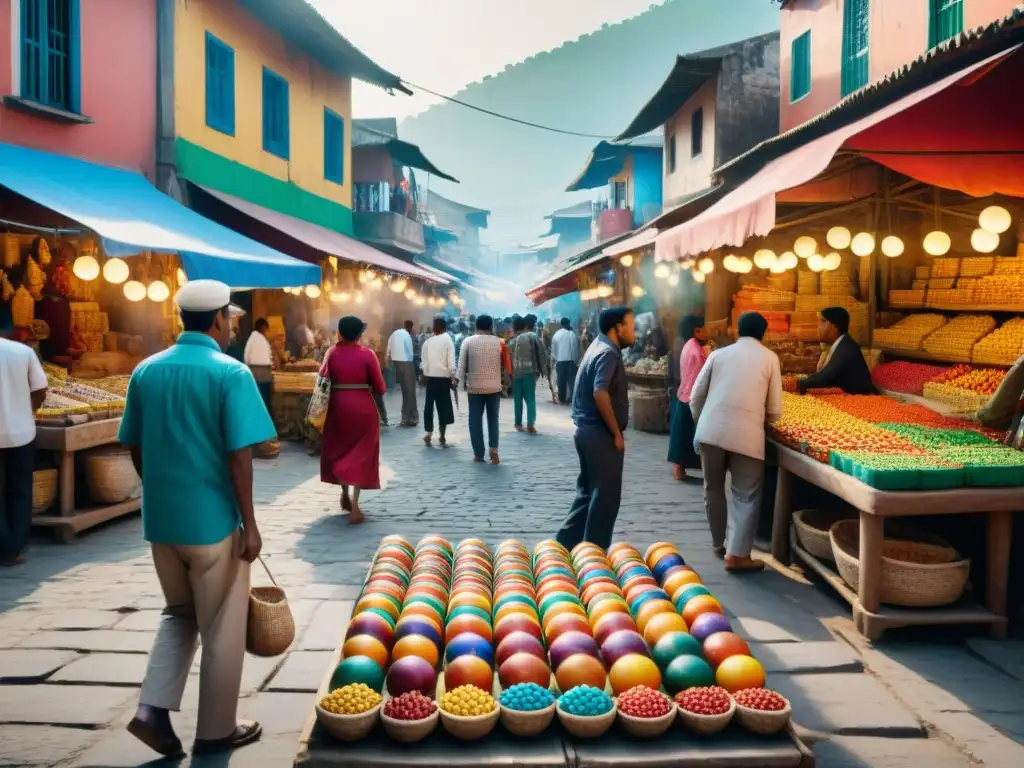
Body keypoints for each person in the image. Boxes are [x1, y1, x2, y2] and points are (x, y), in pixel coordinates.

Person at [118, 280, 276, 757]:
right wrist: (250, 523)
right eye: (229, 321)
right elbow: (239, 457)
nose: (230, 329)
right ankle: (215, 730)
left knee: (179, 613)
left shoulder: (146, 371)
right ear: (218, 321)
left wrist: (158, 492)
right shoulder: (230, 373)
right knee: (223, 625)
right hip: (212, 524)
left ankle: (152, 710)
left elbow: (135, 444)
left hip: (163, 522)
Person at [689, 312, 783, 573]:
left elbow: (696, 396)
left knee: (713, 488)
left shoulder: (718, 355)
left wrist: (703, 421)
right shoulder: (770, 359)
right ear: (763, 333)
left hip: (710, 432)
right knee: (746, 494)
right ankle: (738, 555)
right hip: (748, 435)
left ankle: (718, 543)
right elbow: (774, 410)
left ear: (737, 330)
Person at [556, 307, 635, 551]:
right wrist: (616, 433)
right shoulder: (609, 353)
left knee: (588, 494)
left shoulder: (597, 346)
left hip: (586, 431)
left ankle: (563, 547)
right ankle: (594, 556)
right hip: (598, 434)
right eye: (631, 326)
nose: (634, 332)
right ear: (618, 328)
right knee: (605, 499)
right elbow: (599, 392)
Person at [321, 316, 387, 523]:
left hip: (337, 406)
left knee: (340, 448)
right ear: (360, 334)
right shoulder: (367, 355)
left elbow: (322, 378)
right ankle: (356, 505)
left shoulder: (331, 353)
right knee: (362, 453)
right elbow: (381, 387)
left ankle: (344, 493)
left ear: (339, 332)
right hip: (363, 407)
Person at [0, 327, 48, 567]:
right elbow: (40, 389)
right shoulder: (22, 352)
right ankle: (14, 548)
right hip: (21, 432)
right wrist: (27, 411)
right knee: (20, 490)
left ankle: (4, 544)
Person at [457, 315, 510, 464]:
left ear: (476, 326)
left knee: (475, 421)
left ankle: (478, 454)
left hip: (475, 388)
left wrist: (458, 384)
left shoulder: (468, 341)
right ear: (491, 327)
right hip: (494, 387)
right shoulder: (500, 343)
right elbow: (506, 366)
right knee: (493, 419)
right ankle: (494, 448)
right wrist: (505, 385)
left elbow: (461, 366)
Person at [797, 307, 874, 395]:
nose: (818, 326)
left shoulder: (846, 348)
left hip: (861, 400)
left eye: (822, 321)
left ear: (833, 327)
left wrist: (795, 383)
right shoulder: (841, 344)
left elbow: (824, 377)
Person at [667, 315, 708, 481]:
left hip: (683, 394)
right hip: (692, 397)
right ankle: (680, 468)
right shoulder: (697, 351)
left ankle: (679, 468)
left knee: (681, 433)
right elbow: (700, 378)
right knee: (688, 434)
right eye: (705, 329)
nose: (708, 333)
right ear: (697, 331)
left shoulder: (687, 346)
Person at [509, 315, 548, 433]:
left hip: (516, 373)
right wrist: (544, 370)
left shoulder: (512, 341)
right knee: (530, 398)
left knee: (517, 399)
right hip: (529, 372)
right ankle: (530, 424)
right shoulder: (532, 336)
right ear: (526, 326)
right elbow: (541, 353)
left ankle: (518, 424)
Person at [421, 316, 456, 446]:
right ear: (445, 327)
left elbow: (423, 361)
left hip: (431, 378)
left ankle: (429, 432)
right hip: (443, 379)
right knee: (443, 407)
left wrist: (424, 373)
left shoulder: (428, 342)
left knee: (429, 406)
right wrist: (453, 377)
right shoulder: (448, 340)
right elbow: (451, 361)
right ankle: (442, 436)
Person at [387, 320, 418, 426]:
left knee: (405, 391)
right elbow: (410, 352)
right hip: (406, 362)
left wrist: (390, 362)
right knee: (410, 391)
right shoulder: (406, 335)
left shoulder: (394, 333)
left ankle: (405, 417)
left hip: (396, 362)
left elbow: (388, 349)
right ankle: (411, 418)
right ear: (410, 327)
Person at [244, 318, 275, 413]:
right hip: (263, 374)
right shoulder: (258, 338)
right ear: (263, 327)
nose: (266, 331)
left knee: (259, 399)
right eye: (266, 328)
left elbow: (246, 357)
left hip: (256, 373)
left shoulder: (253, 338)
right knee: (264, 399)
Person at [551, 317, 580, 404]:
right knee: (571, 380)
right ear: (568, 324)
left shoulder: (556, 334)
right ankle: (572, 398)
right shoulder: (571, 334)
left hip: (560, 361)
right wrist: (576, 360)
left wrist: (556, 358)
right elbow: (575, 348)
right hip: (571, 361)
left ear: (561, 324)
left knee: (561, 380)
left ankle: (562, 398)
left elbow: (554, 349)